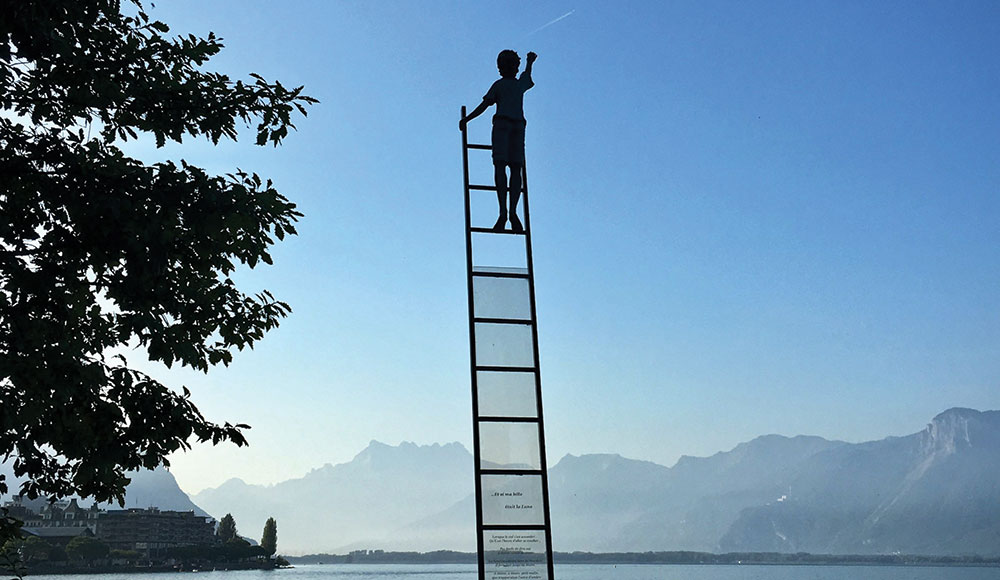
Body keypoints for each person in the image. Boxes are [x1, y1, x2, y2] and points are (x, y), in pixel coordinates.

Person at [460, 50, 537, 232]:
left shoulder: (517, 85)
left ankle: (512, 213)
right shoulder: (500, 85)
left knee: (515, 169)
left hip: (516, 126)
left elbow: (527, 77)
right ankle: (504, 212)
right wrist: (468, 119)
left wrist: (530, 62)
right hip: (504, 126)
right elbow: (485, 105)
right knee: (502, 167)